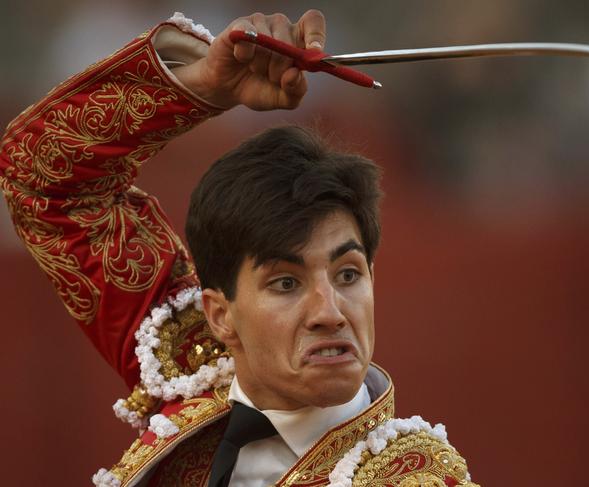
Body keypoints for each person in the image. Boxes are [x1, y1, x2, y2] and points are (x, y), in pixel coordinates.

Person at [0, 9, 480, 487]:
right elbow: (42, 176)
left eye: (348, 274)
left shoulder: (416, 479)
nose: (330, 312)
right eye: (286, 283)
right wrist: (204, 85)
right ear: (220, 316)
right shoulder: (188, 361)